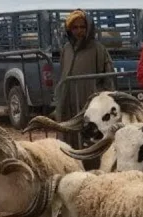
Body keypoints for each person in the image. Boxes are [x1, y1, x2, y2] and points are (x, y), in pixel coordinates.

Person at [55, 10, 115, 146]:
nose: (79, 31)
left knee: (90, 143)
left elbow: (108, 79)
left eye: (82, 27)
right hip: (68, 106)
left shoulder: (98, 49)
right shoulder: (66, 49)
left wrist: (102, 102)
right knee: (69, 142)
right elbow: (62, 77)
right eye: (75, 27)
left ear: (88, 28)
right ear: (69, 29)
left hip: (90, 106)